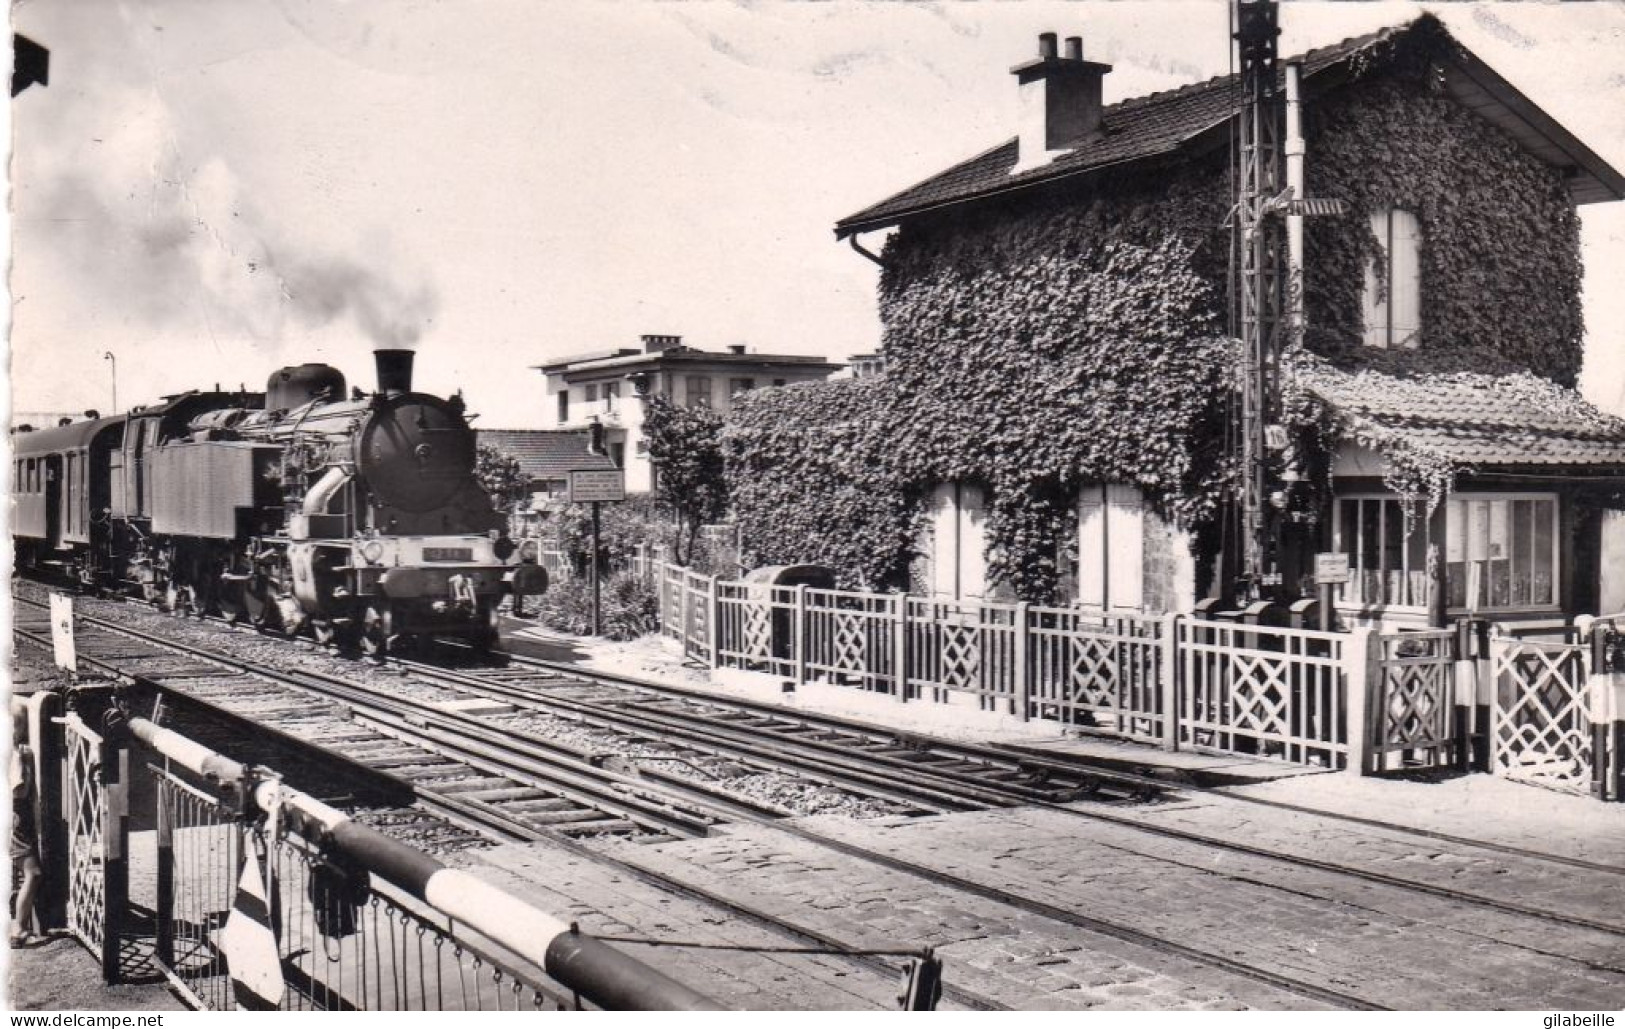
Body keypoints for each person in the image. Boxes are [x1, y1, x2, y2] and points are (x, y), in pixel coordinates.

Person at [10, 706, 42, 947]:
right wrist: (30, 768)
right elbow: (19, 791)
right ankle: (18, 929)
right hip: (16, 820)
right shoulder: (16, 754)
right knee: (33, 873)